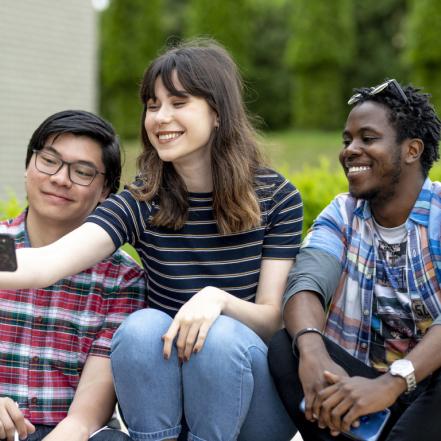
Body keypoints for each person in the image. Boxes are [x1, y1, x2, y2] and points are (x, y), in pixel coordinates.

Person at [0, 40, 302, 441]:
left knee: (220, 337)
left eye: (178, 102)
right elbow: (46, 262)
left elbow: (272, 319)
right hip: (168, 397)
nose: (161, 118)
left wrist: (219, 301)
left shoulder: (276, 197)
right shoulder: (144, 201)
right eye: (153, 105)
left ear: (218, 112)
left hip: (250, 399)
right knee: (141, 329)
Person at [268, 79, 441, 441]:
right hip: (362, 394)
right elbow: (306, 283)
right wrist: (312, 350)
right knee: (288, 347)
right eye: (347, 141)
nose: (350, 151)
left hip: (425, 392)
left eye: (368, 138)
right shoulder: (343, 214)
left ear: (412, 150)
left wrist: (391, 384)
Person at [0, 110, 146, 441]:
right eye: (49, 161)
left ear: (106, 191)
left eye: (82, 172)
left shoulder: (121, 277)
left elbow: (86, 417)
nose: (60, 179)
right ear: (28, 165)